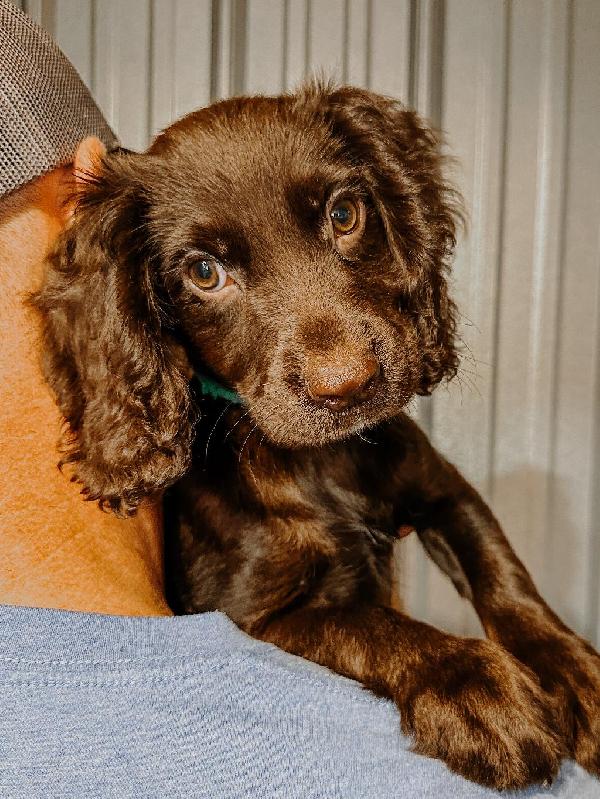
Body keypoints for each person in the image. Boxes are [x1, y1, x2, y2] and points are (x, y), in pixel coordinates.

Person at [0, 2, 597, 797]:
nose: (339, 369)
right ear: (146, 300)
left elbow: (444, 497)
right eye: (207, 273)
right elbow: (270, 623)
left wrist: (525, 622)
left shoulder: (384, 439)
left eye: (342, 215)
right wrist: (427, 658)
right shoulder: (215, 491)